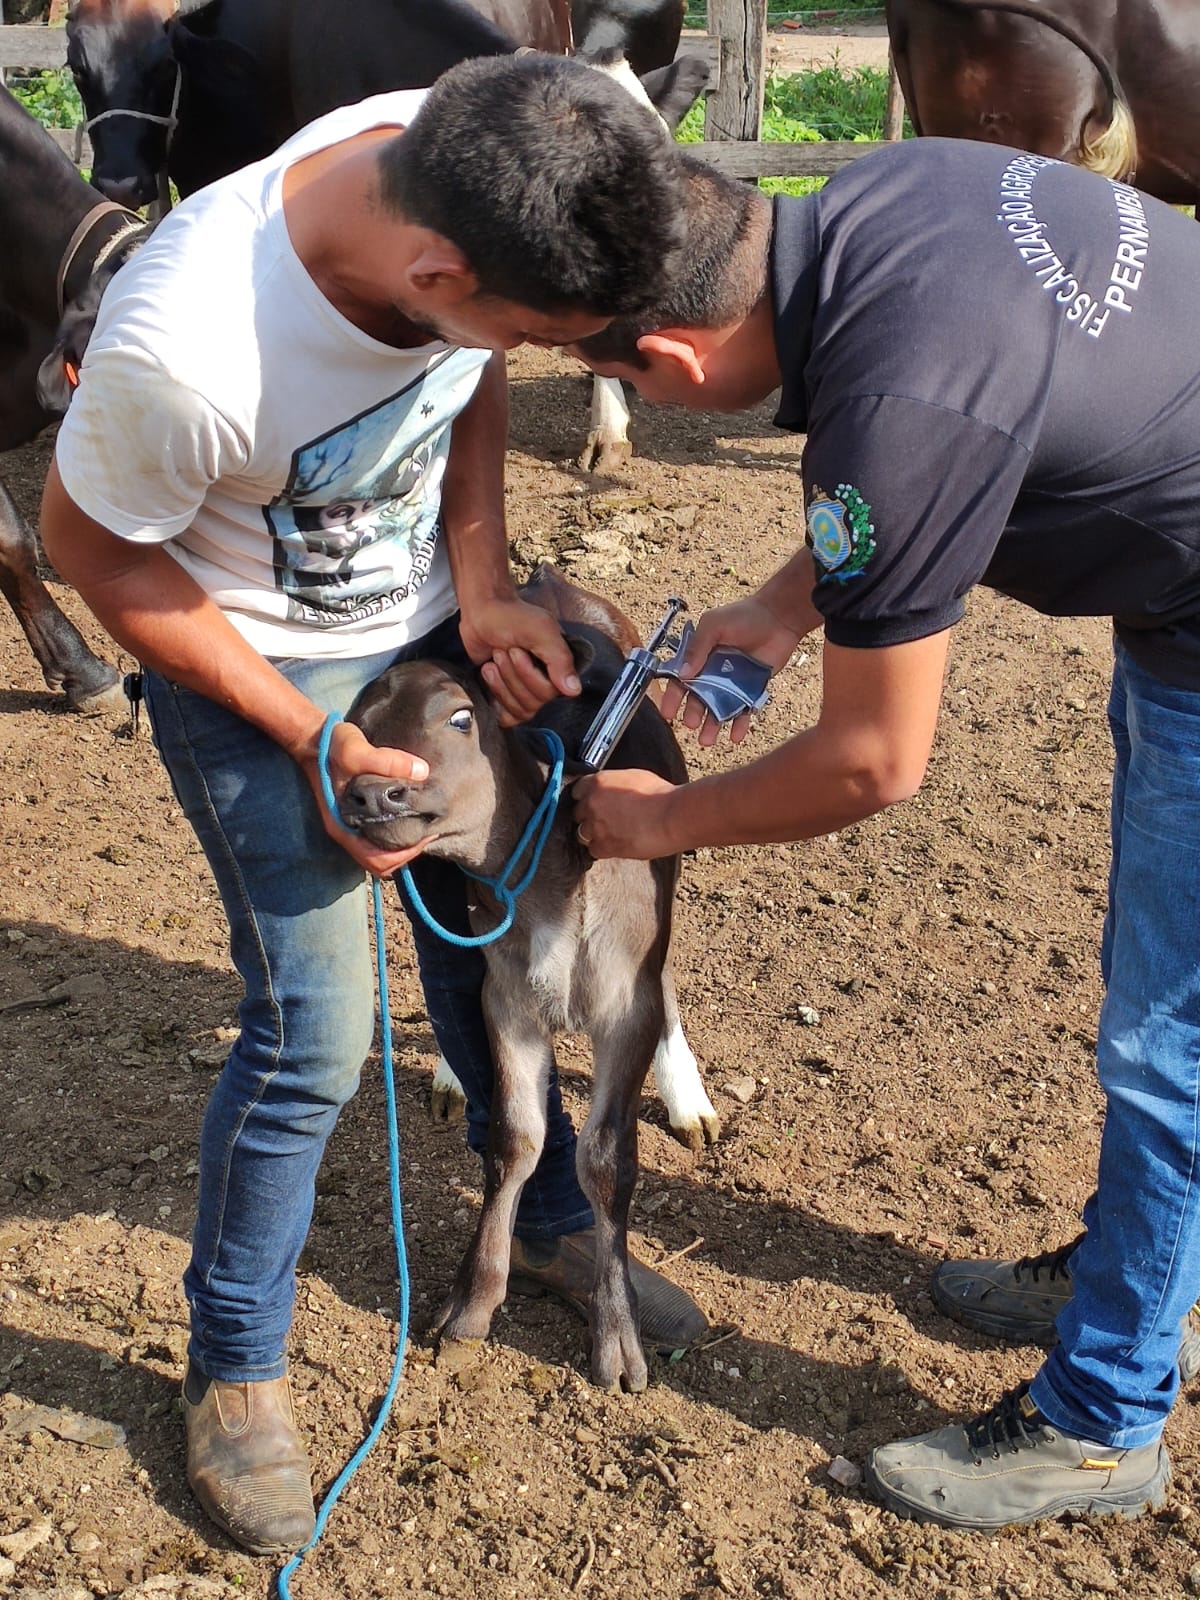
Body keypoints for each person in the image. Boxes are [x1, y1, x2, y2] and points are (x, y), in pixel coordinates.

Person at [40, 53, 709, 1558]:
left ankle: (545, 1232)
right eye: (536, 330)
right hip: (240, 657)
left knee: (504, 945)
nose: (532, 356)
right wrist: (304, 733)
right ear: (435, 270)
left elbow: (470, 369)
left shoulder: (457, 157)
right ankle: (237, 1368)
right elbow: (94, 552)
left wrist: (476, 580)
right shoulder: (189, 350)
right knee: (314, 1036)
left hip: (420, 633)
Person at [569, 139, 1200, 1530]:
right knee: (1165, 993)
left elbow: (872, 764)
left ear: (666, 365)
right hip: (1183, 583)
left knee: (1171, 1042)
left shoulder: (892, 396)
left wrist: (659, 819)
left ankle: (1106, 1420)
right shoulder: (876, 199)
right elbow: (956, 426)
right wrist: (793, 601)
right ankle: (1137, 1271)